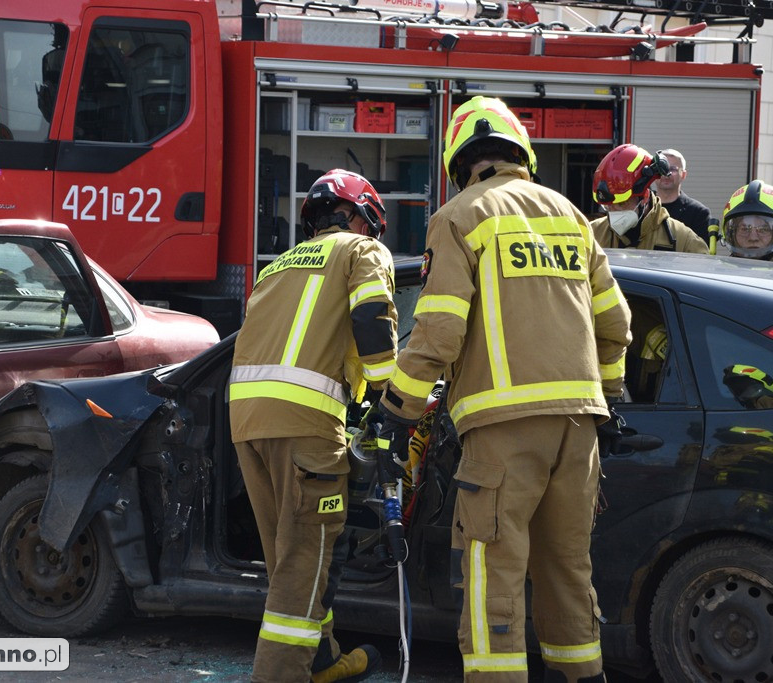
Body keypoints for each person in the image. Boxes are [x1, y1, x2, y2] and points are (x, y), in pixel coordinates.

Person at [375, 95, 631, 682]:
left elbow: (438, 330)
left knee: (494, 573)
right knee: (568, 569)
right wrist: (609, 402)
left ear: (458, 161)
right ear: (521, 152)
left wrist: (397, 411)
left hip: (503, 429)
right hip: (580, 430)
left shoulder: (461, 215)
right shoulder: (569, 216)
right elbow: (615, 325)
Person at [228, 169, 398, 683]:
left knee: (293, 557)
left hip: (248, 423)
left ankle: (321, 662)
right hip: (306, 424)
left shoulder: (276, 266)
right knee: (305, 565)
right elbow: (372, 319)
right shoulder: (362, 251)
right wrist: (394, 398)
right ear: (363, 217)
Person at [590, 144, 709, 254]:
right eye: (607, 206)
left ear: (645, 198)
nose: (613, 213)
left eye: (621, 203)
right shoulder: (591, 234)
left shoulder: (683, 241)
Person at [720, 180, 773, 262]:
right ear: (732, 234)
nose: (753, 238)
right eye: (745, 229)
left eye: (763, 230)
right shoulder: (718, 273)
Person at [655, 148, 713, 243]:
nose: (666, 174)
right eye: (662, 168)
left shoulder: (698, 214)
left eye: (673, 169)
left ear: (683, 174)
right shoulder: (641, 207)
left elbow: (701, 254)